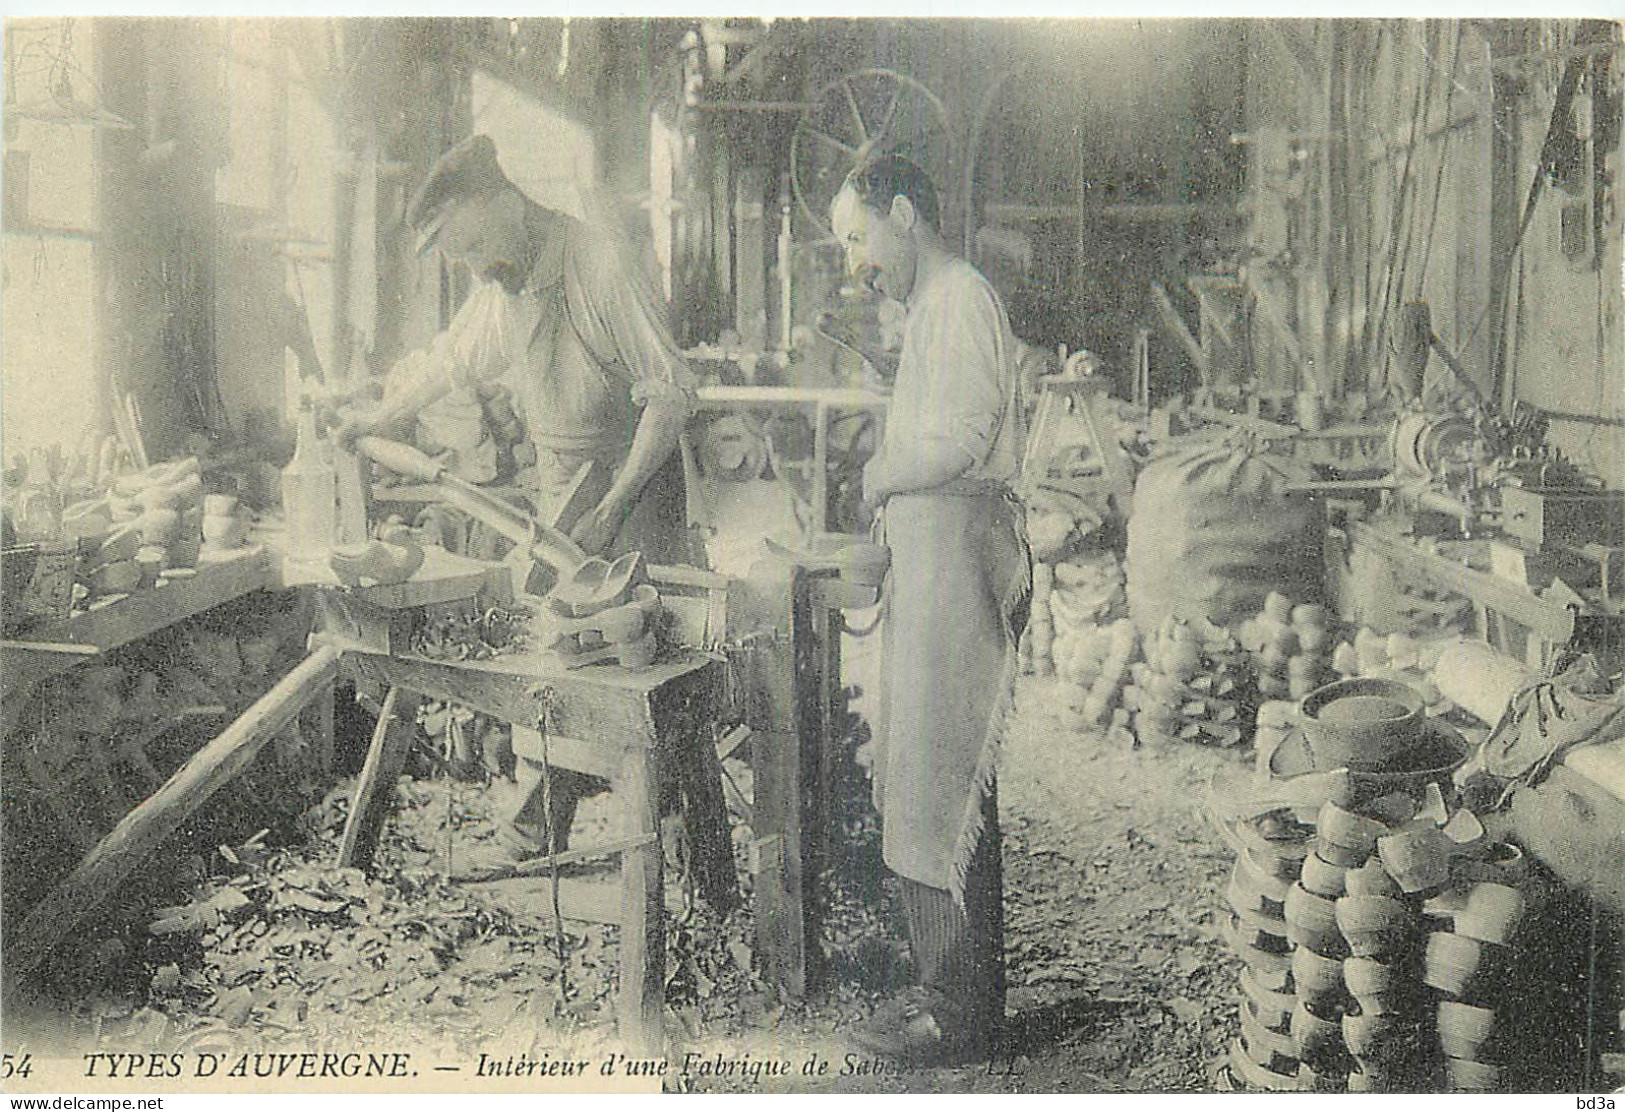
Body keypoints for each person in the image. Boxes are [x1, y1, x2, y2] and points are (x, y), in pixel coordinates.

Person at [336, 133, 698, 874]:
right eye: (460, 256)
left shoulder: (599, 262)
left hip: (636, 488)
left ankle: (679, 843)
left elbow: (670, 395)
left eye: (471, 245)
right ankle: (542, 832)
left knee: (648, 664)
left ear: (504, 204)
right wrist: (378, 419)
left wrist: (613, 507)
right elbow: (448, 361)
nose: (474, 266)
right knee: (559, 652)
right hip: (563, 490)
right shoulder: (504, 286)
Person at [830, 155, 1031, 1063]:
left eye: (857, 239)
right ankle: (946, 992)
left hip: (954, 553)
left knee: (941, 773)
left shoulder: (960, 295)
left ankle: (959, 1016)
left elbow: (959, 437)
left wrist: (877, 471)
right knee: (918, 769)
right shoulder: (937, 305)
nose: (855, 263)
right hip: (932, 554)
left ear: (903, 213)